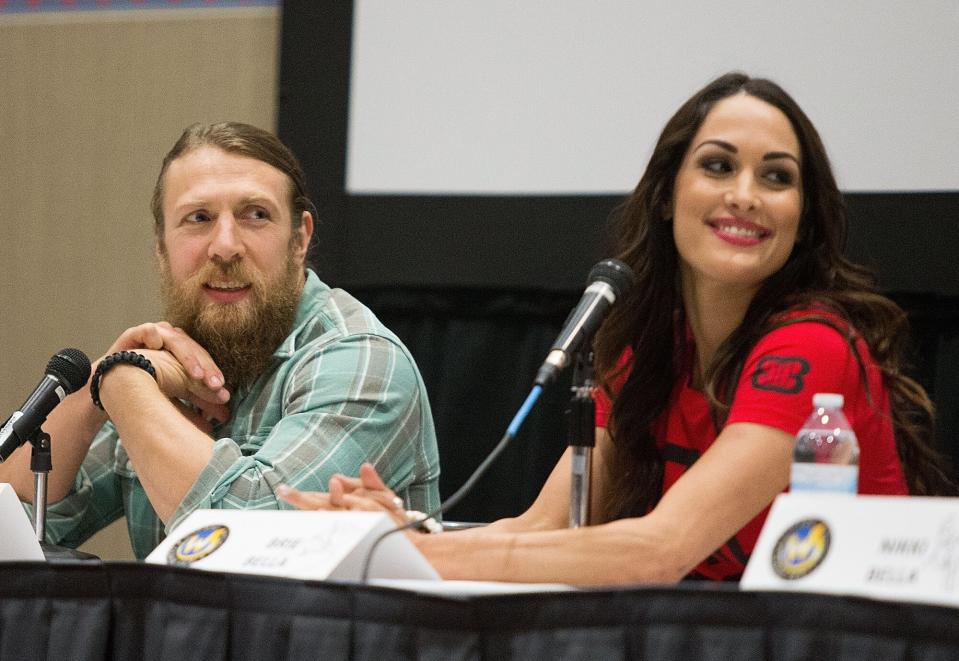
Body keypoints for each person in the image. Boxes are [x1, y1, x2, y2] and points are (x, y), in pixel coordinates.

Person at [278, 72, 956, 585]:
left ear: (801, 217)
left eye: (775, 177)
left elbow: (660, 548)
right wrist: (404, 534)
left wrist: (420, 553)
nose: (745, 194)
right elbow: (539, 527)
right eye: (718, 165)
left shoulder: (810, 342)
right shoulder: (646, 345)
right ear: (666, 194)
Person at [0, 122, 440, 559]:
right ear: (161, 249)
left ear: (299, 239)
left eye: (256, 215)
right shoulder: (164, 365)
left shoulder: (362, 361)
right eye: (199, 218)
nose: (225, 246)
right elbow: (16, 527)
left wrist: (122, 384)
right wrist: (97, 383)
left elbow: (247, 540)